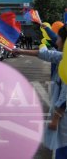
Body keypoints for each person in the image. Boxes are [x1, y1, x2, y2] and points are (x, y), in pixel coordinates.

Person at [13, 25, 67, 158]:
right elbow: (47, 54)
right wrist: (19, 51)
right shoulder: (64, 57)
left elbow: (65, 94)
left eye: (59, 38)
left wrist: (56, 117)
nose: (56, 41)